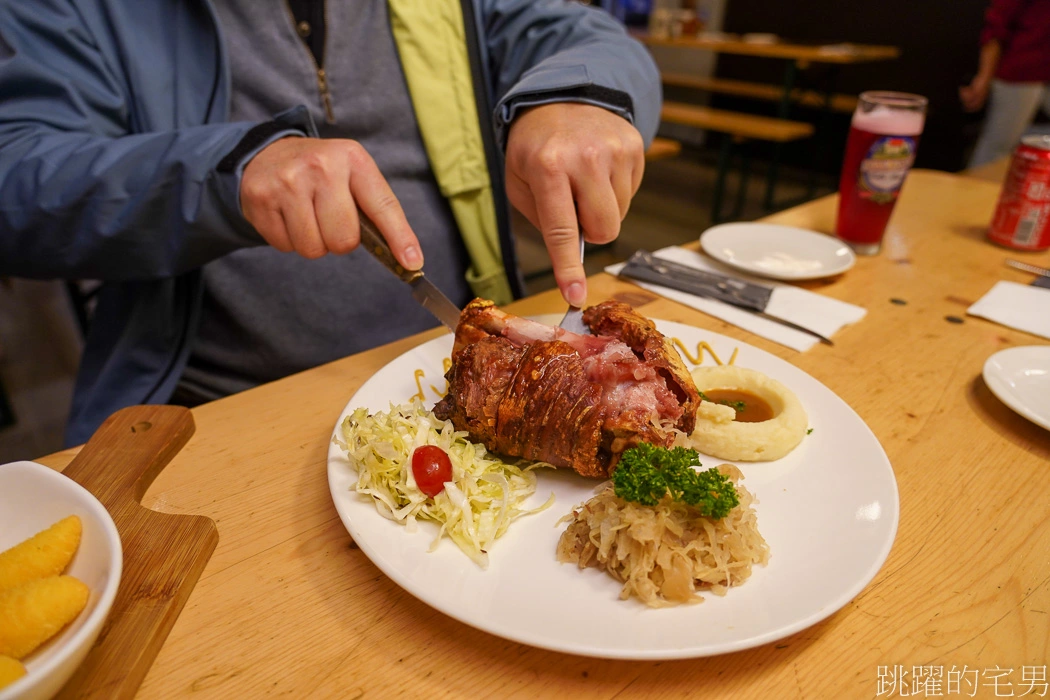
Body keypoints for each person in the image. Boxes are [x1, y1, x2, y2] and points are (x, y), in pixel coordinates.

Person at [0, 0, 661, 445]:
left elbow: (577, 31)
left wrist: (583, 92)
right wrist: (223, 173)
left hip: (452, 371)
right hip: (215, 404)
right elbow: (18, 181)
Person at [960, 0, 1050, 167]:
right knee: (998, 146)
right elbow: (996, 25)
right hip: (1020, 72)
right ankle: (976, 189)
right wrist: (983, 78)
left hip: (1041, 72)